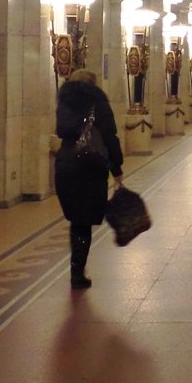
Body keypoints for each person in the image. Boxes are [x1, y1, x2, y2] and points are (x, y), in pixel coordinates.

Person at [52, 68, 125, 289]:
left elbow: (62, 131)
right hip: (89, 165)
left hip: (65, 163)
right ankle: (77, 273)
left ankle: (77, 269)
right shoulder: (98, 103)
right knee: (83, 222)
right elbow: (109, 137)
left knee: (76, 220)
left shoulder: (64, 104)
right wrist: (117, 168)